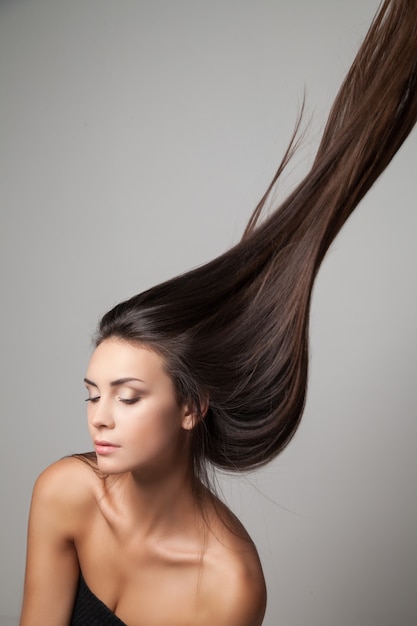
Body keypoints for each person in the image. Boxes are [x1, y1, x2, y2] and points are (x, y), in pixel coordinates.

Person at [19, 2, 417, 625]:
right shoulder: (65, 492)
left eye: (127, 396)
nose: (99, 418)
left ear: (190, 406)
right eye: (92, 394)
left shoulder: (229, 582)